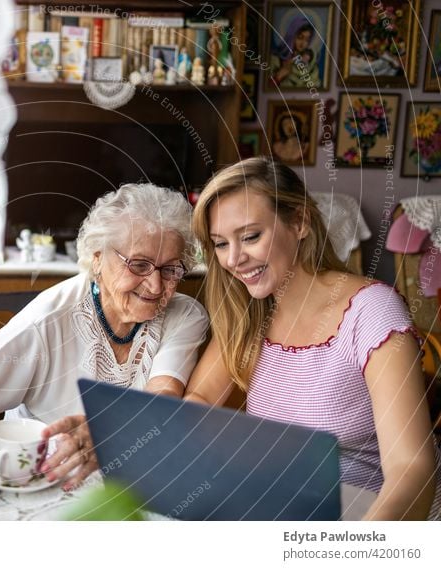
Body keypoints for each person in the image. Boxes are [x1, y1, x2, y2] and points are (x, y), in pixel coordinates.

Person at [0, 184, 209, 498]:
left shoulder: (184, 316)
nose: (156, 285)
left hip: (129, 491)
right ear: (97, 258)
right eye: (139, 264)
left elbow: (162, 397)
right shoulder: (46, 321)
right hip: (46, 491)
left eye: (171, 269)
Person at [187, 156, 441, 520]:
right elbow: (198, 400)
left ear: (300, 221)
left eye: (250, 237)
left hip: (372, 518)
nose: (233, 259)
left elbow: (411, 469)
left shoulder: (372, 311)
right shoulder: (249, 315)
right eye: (220, 244)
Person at [270, 15, 320, 88]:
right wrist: (279, 76)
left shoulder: (308, 59)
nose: (303, 44)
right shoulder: (275, 59)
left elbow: (315, 84)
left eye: (307, 40)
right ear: (291, 36)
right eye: (300, 38)